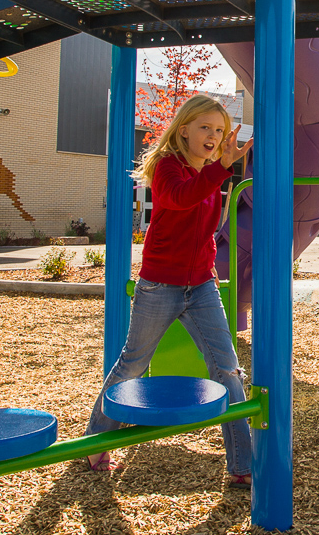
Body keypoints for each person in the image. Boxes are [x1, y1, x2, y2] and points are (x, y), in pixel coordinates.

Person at [86, 93, 254, 487]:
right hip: (160, 284)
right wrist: (221, 171)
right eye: (205, 128)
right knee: (133, 363)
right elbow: (180, 200)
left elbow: (206, 227)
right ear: (184, 131)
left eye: (219, 130)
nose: (213, 136)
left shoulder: (211, 173)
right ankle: (95, 439)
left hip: (200, 286)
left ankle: (242, 465)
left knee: (227, 367)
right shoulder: (168, 167)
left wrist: (208, 262)